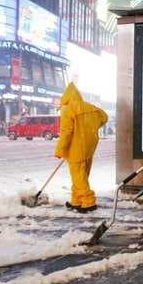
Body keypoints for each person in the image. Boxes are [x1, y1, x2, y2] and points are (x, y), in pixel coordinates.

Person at [55, 83, 108, 213]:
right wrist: (91, 128)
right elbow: (104, 117)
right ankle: (77, 201)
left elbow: (66, 132)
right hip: (89, 147)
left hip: (76, 148)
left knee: (78, 176)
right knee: (81, 176)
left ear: (66, 97)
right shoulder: (90, 107)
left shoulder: (67, 109)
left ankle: (89, 201)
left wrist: (60, 150)